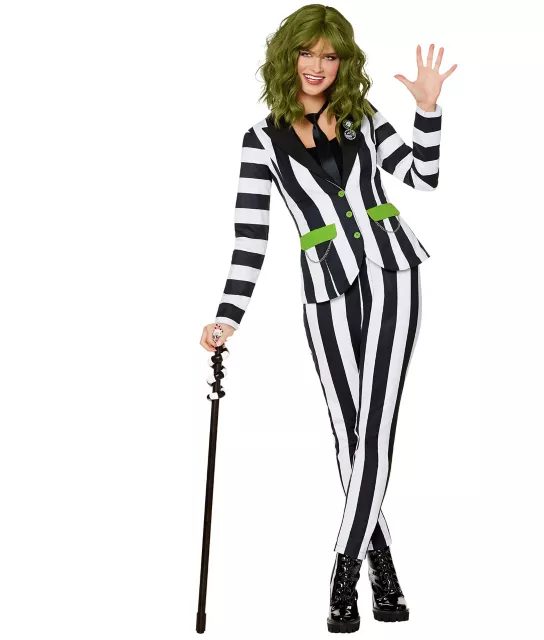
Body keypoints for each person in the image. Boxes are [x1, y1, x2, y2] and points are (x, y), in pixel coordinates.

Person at [200, 4, 456, 633]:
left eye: (330, 55)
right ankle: (384, 566)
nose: (317, 66)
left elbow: (423, 177)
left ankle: (344, 567)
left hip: (394, 274)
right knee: (350, 438)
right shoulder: (261, 140)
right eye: (306, 53)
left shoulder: (363, 116)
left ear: (344, 62)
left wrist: (427, 110)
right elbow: (250, 236)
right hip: (328, 291)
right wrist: (228, 316)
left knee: (376, 429)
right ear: (286, 57)